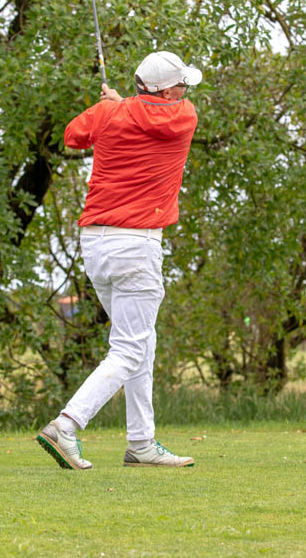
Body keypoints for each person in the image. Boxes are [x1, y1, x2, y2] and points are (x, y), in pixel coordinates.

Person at [36, 51, 202, 470]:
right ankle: (66, 425)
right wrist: (121, 107)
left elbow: (73, 136)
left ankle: (141, 443)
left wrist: (112, 108)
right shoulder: (184, 117)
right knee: (129, 347)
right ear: (167, 91)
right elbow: (148, 116)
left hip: (96, 243)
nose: (185, 90)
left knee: (142, 342)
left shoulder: (111, 112)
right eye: (181, 84)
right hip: (136, 244)